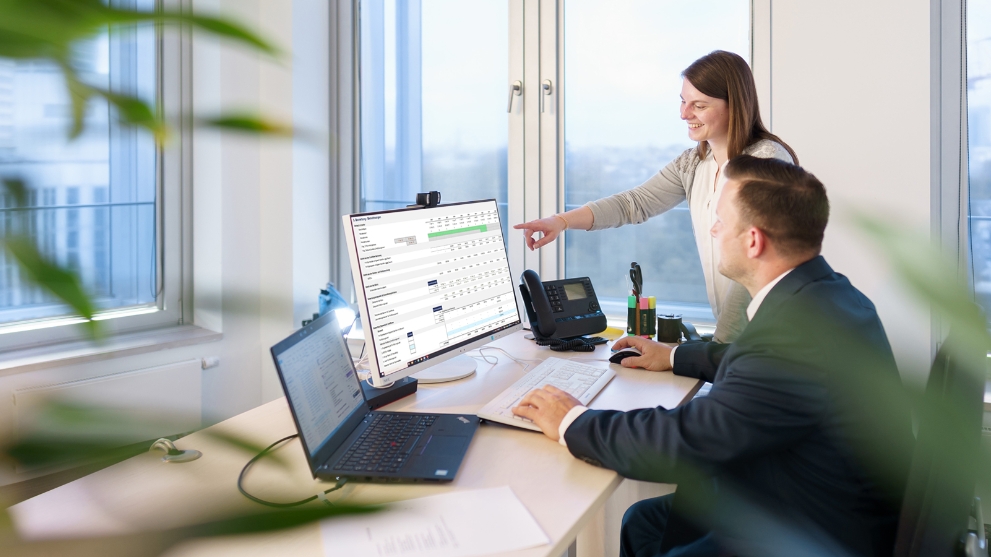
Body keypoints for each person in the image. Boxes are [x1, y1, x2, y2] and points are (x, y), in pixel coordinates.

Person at [512, 156, 913, 556]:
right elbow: (761, 366)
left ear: (753, 241)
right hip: (820, 501)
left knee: (659, 521)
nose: (713, 229)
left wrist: (571, 420)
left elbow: (686, 441)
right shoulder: (828, 294)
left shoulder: (790, 337)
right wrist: (674, 356)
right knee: (644, 524)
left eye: (720, 219)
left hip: (814, 534)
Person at [514, 50, 798, 343]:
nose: (684, 114)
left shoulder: (767, 162)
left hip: (771, 336)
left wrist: (717, 348)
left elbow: (754, 260)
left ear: (735, 106)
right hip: (737, 339)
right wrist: (560, 221)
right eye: (683, 101)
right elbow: (633, 203)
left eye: (699, 105)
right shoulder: (694, 163)